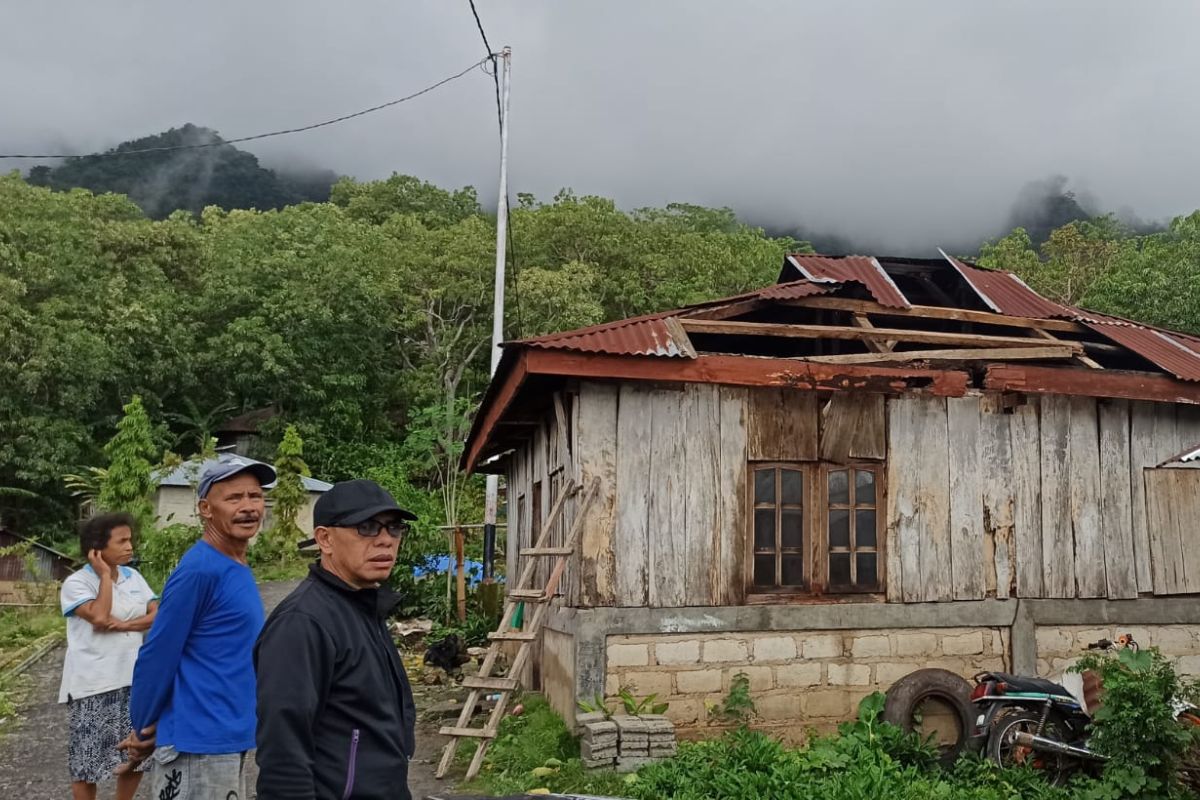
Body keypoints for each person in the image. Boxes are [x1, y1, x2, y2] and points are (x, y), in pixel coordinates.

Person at [122, 454, 276, 800]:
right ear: (206, 509)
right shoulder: (199, 570)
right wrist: (143, 727)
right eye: (234, 498)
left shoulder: (235, 564)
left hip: (224, 736)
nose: (248, 507)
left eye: (255, 496)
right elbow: (158, 652)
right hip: (197, 745)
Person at [254, 479, 417, 800]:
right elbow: (283, 754)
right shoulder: (303, 624)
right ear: (325, 539)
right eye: (368, 527)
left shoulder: (363, 605)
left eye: (394, 528)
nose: (385, 540)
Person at [59, 512, 159, 800]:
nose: (130, 546)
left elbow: (158, 613)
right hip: (93, 682)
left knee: (137, 753)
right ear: (97, 547)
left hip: (134, 677)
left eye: (131, 540)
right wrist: (104, 575)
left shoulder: (134, 577)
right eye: (122, 541)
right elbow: (100, 618)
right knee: (86, 762)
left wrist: (127, 625)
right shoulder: (77, 583)